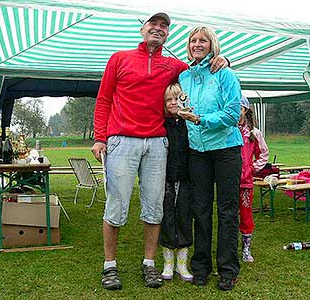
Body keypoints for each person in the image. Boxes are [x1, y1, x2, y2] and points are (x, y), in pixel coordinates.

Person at [90, 13, 228, 290]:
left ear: (167, 34)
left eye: (164, 26)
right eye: (153, 24)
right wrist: (100, 138)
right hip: (121, 140)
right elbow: (104, 99)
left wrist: (224, 61)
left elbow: (198, 71)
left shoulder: (172, 65)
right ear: (142, 29)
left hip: (156, 142)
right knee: (116, 205)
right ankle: (110, 266)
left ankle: (150, 264)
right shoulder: (119, 58)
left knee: (154, 207)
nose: (158, 28)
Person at [177, 26, 243, 291]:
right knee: (200, 209)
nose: (197, 44)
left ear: (212, 45)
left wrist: (201, 119)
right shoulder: (184, 76)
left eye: (203, 40)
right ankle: (201, 266)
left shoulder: (224, 73)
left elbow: (232, 114)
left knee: (227, 210)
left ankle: (227, 268)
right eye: (193, 40)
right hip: (197, 152)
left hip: (226, 149)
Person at [160, 83, 193, 282]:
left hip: (186, 178)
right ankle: (168, 262)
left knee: (184, 217)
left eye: (176, 98)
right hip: (164, 178)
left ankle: (182, 262)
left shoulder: (189, 122)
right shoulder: (161, 123)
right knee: (166, 217)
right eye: (168, 100)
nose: (173, 103)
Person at [238, 96, 269, 263]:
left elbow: (263, 153)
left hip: (245, 182)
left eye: (239, 108)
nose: (236, 112)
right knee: (227, 214)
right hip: (227, 180)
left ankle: (246, 248)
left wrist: (251, 168)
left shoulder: (254, 133)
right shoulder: (226, 129)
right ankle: (227, 248)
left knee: (245, 214)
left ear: (245, 110)